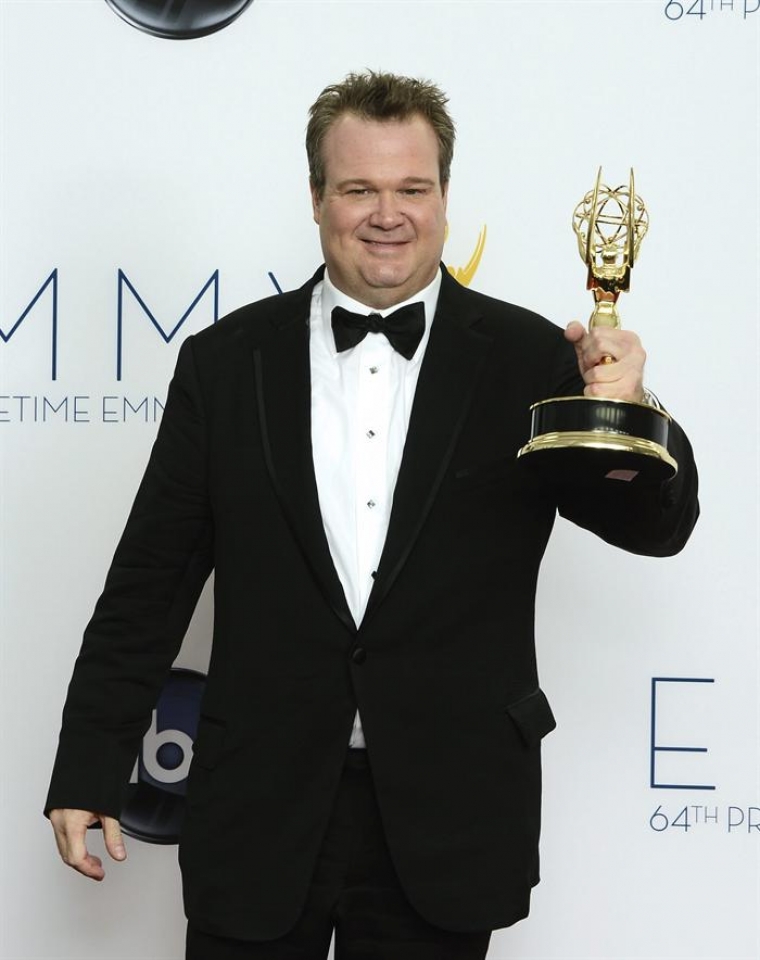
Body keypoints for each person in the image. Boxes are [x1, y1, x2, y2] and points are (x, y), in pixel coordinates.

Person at [46, 70, 699, 960]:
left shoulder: (531, 360)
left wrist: (629, 409)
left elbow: (655, 527)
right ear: (317, 198)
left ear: (444, 199)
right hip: (260, 807)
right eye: (359, 189)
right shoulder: (226, 363)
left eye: (411, 189)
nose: (387, 215)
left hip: (449, 812)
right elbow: (148, 585)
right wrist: (88, 765)